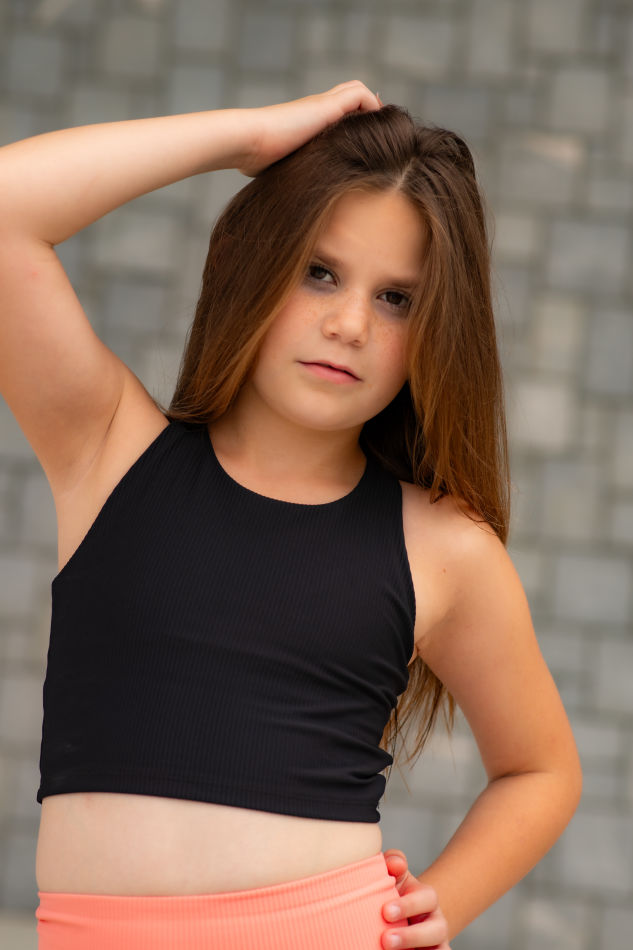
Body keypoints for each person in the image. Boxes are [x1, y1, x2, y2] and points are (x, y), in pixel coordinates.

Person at [0, 80, 581, 950]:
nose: (348, 324)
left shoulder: (440, 547)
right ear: (253, 262)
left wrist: (446, 901)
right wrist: (245, 139)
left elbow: (540, 769)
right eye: (319, 272)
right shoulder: (109, 452)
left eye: (396, 298)